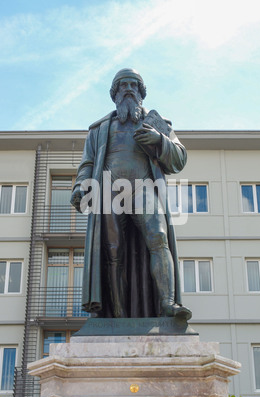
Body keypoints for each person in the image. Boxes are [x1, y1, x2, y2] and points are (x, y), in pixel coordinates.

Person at [71, 68, 192, 320]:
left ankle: (168, 304)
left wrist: (159, 140)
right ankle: (118, 313)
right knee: (113, 250)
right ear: (115, 94)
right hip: (108, 191)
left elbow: (179, 159)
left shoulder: (156, 122)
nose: (128, 88)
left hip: (143, 187)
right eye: (123, 85)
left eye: (134, 85)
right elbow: (88, 163)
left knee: (158, 237)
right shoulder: (99, 129)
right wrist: (80, 185)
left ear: (141, 93)